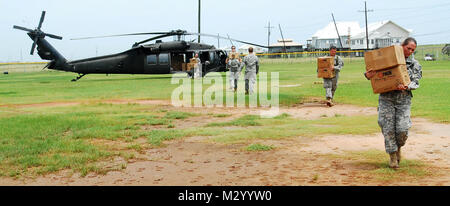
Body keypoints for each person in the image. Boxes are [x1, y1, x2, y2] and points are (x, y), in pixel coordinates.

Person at [364, 37, 422, 169]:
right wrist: (368, 75)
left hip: (403, 100)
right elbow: (373, 72)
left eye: (413, 50)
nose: (410, 51)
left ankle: (399, 147)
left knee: (402, 129)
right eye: (408, 48)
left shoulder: (414, 64)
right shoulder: (386, 58)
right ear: (402, 46)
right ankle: (392, 156)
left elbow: (416, 82)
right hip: (386, 99)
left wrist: (407, 86)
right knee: (387, 128)